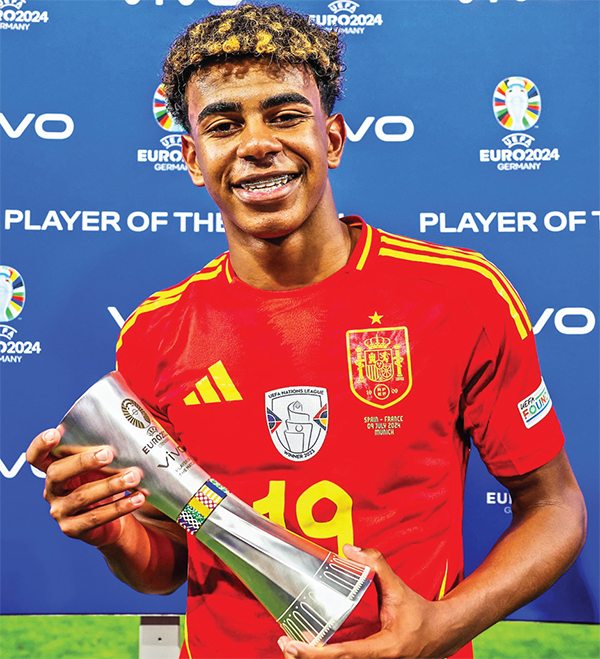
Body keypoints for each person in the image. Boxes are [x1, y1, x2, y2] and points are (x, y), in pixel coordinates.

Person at [26, 4, 587, 658]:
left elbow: (555, 507)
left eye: (286, 115)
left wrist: (442, 626)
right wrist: (114, 534)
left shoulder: (459, 295)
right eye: (224, 125)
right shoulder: (155, 331)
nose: (257, 144)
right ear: (193, 159)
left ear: (334, 139)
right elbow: (170, 557)